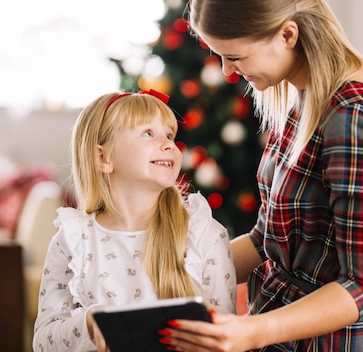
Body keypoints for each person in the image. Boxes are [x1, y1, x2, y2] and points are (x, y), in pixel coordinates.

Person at [157, 0, 363, 351]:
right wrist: (170, 273)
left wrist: (251, 331)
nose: (227, 71)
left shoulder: (355, 119)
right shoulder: (306, 96)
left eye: (235, 56)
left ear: (287, 35)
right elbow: (267, 239)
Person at [32, 89, 237, 351]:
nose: (169, 145)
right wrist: (88, 323)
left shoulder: (204, 234)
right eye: (148, 133)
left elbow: (228, 337)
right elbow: (43, 342)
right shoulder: (73, 241)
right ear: (103, 158)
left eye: (170, 135)